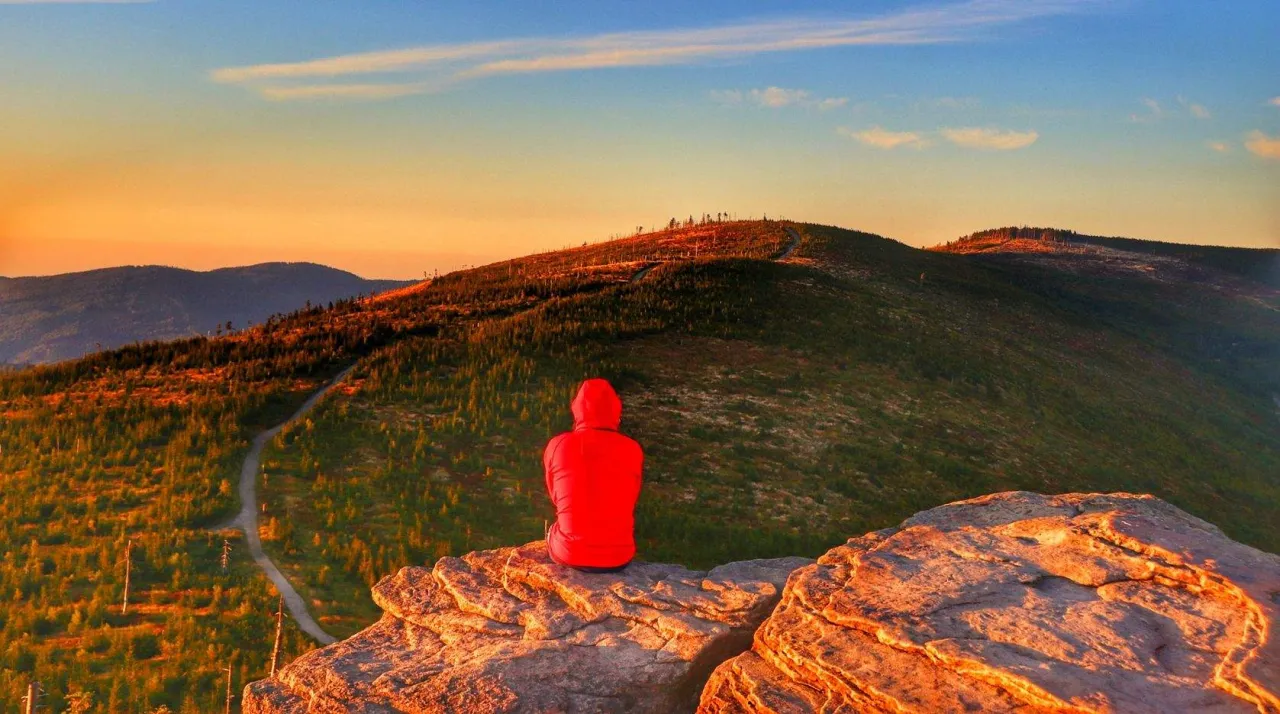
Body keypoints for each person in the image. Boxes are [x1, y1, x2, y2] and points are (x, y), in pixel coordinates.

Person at [543, 378, 643, 572]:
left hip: (568, 553)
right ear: (616, 412)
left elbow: (555, 495)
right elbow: (631, 496)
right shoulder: (633, 449)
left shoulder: (558, 445)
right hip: (619, 556)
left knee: (555, 526)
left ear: (577, 410)